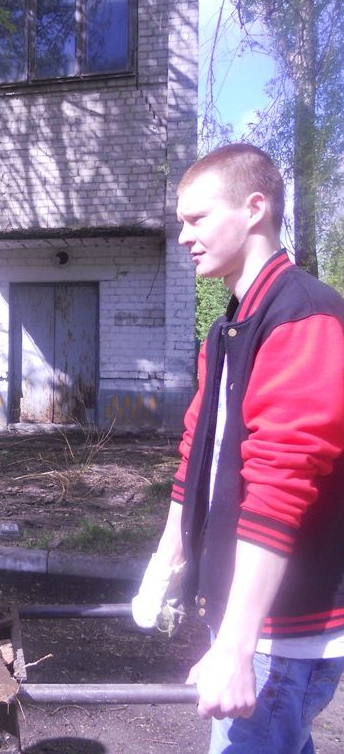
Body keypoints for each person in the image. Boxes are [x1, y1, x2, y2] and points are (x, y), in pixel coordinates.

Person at [132, 143, 344, 753]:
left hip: (282, 629)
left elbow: (281, 486)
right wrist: (169, 553)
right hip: (249, 621)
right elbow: (198, 451)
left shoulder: (303, 317)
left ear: (254, 209)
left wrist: (236, 646)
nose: (183, 237)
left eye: (197, 218)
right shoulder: (229, 328)